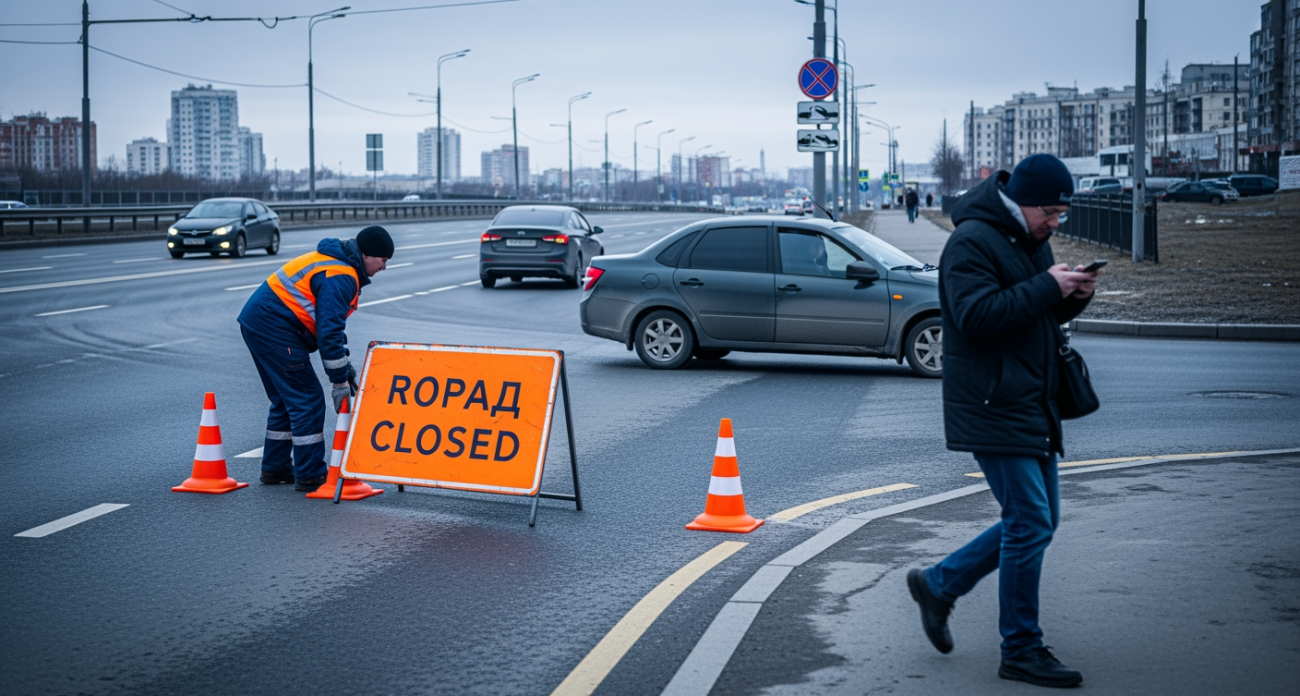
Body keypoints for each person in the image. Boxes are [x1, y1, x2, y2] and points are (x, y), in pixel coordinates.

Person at [906, 154, 1098, 688]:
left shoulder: (1028, 240)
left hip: (1031, 400)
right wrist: (1045, 288)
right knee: (1031, 523)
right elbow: (974, 318)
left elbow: (1031, 312)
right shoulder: (970, 242)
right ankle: (1020, 648)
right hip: (993, 403)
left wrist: (1071, 297)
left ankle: (940, 584)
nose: (1057, 223)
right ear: (1025, 203)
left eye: (1062, 214)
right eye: (1053, 213)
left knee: (1039, 522)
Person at [237, 225, 393, 492]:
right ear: (367, 255)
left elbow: (330, 326)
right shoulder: (341, 275)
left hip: (260, 322)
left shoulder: (336, 264)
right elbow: (329, 331)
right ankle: (310, 473)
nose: (384, 267)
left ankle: (275, 468)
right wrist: (338, 382)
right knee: (307, 400)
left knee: (286, 401)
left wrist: (345, 369)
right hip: (277, 327)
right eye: (383, 260)